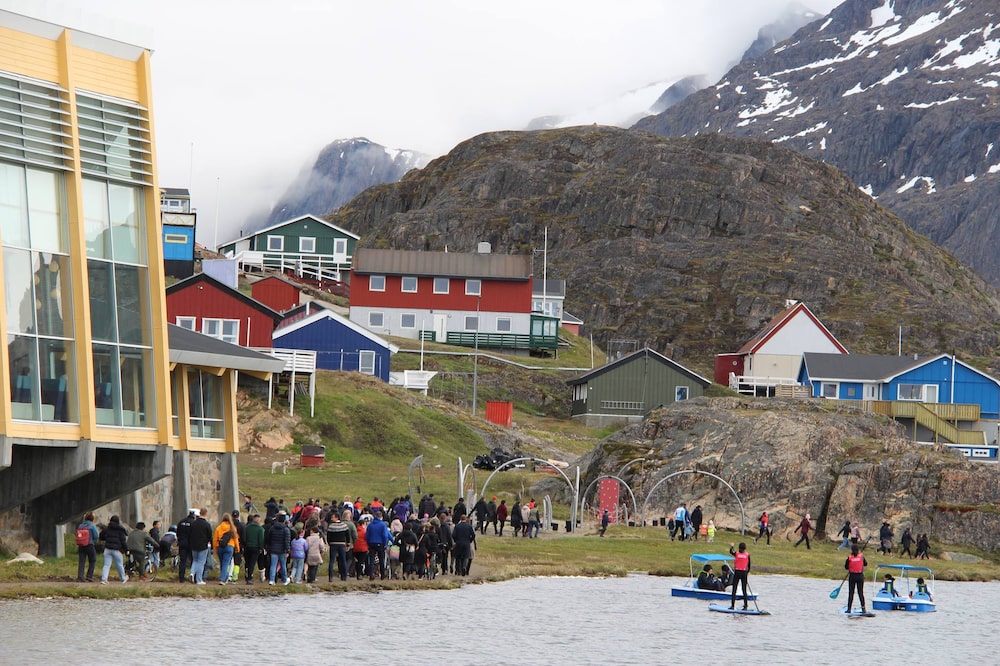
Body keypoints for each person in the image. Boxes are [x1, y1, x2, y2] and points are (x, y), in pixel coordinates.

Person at [99, 515, 129, 584]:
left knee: (106, 565)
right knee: (119, 564)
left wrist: (106, 539)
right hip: (116, 550)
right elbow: (123, 541)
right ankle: (123, 578)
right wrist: (126, 550)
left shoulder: (107, 528)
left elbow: (101, 536)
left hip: (107, 549)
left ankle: (104, 579)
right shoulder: (120, 529)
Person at [213, 512, 240, 585]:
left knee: (222, 563)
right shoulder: (232, 528)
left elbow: (215, 539)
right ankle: (223, 579)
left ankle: (225, 577)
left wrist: (215, 548)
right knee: (226, 563)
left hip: (220, 547)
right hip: (230, 546)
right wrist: (237, 548)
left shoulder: (218, 527)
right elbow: (236, 539)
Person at [189, 508, 213, 585]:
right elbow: (210, 535)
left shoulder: (194, 523)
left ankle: (192, 573)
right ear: (206, 514)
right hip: (203, 545)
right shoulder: (206, 524)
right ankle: (199, 579)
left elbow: (190, 533)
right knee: (201, 562)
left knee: (195, 560)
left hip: (194, 545)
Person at [266, 513, 291, 585]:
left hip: (273, 549)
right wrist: (287, 550)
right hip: (282, 550)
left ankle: (271, 580)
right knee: (283, 565)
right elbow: (287, 541)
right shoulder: (286, 529)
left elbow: (269, 539)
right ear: (284, 521)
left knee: (273, 565)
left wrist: (269, 547)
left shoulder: (272, 528)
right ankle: (284, 580)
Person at [326, 510, 350, 582]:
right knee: (343, 560)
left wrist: (329, 543)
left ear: (337, 518)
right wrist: (348, 544)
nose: (331, 519)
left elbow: (328, 537)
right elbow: (347, 535)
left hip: (333, 544)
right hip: (342, 544)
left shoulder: (331, 526)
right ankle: (344, 576)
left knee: (332, 561)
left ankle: (331, 577)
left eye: (332, 517)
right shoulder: (344, 525)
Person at [366, 511, 391, 580]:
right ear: (381, 517)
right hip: (380, 543)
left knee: (371, 560)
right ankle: (382, 575)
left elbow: (367, 535)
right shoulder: (382, 525)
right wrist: (385, 543)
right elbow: (385, 535)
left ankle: (371, 574)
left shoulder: (370, 525)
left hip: (371, 543)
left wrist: (368, 543)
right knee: (381, 560)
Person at [76, 512, 100, 582]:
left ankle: (80, 577)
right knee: (92, 560)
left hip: (81, 545)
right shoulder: (92, 526)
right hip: (90, 545)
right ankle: (89, 576)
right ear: (92, 518)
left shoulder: (81, 526)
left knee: (81, 561)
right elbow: (96, 535)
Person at [845, 544, 867, 614]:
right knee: (860, 593)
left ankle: (849, 609)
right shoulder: (861, 557)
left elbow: (846, 567)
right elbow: (866, 564)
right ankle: (863, 608)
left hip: (852, 576)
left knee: (851, 593)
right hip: (860, 576)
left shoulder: (849, 557)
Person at [175, 508, 196, 583]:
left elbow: (177, 532)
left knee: (182, 561)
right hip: (190, 544)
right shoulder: (194, 523)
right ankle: (194, 577)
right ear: (194, 515)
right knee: (193, 561)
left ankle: (181, 578)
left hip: (182, 543)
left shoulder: (181, 522)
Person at [728, 542, 751, 610]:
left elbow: (731, 551)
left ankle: (732, 606)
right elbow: (749, 566)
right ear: (745, 548)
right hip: (744, 573)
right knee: (744, 590)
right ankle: (745, 605)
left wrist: (732, 546)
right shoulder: (747, 555)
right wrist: (747, 572)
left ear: (739, 548)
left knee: (734, 589)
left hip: (737, 572)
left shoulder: (737, 553)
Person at [243, 514, 265, 584]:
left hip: (247, 547)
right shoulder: (260, 529)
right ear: (259, 520)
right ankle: (249, 577)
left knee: (247, 562)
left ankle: (247, 575)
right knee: (252, 563)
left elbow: (244, 537)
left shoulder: (247, 527)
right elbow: (261, 540)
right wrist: (261, 548)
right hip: (256, 548)